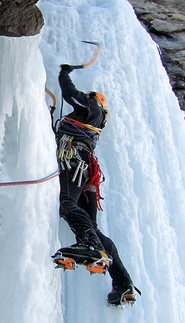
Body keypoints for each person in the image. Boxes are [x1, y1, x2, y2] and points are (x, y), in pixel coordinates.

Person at [51, 64, 139, 306]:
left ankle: (89, 245)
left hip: (75, 161)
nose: (85, 100)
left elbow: (69, 93)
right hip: (87, 172)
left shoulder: (92, 109)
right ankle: (123, 283)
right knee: (93, 227)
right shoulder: (91, 123)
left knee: (66, 202)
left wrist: (63, 73)